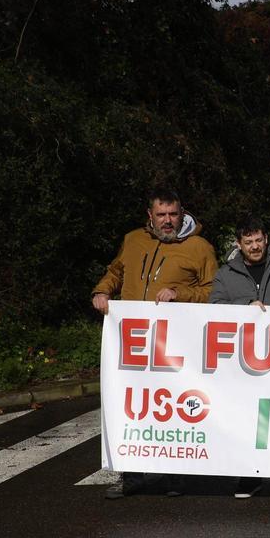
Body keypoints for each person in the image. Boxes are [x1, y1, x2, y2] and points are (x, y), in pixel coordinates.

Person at [92, 187, 217, 500]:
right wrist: (102, 291)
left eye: (173, 214)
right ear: (150, 216)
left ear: (182, 213)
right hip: (134, 342)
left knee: (174, 404)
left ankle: (175, 476)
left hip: (177, 342)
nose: (167, 221)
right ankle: (130, 476)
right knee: (132, 406)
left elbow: (214, 292)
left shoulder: (200, 247)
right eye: (161, 215)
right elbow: (116, 271)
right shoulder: (133, 240)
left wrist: (180, 294)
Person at [210, 217, 270, 499]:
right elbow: (215, 307)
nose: (255, 246)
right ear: (239, 245)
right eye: (248, 242)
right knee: (245, 417)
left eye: (258, 240)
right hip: (242, 362)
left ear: (266, 239)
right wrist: (246, 308)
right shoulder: (225, 275)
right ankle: (248, 476)